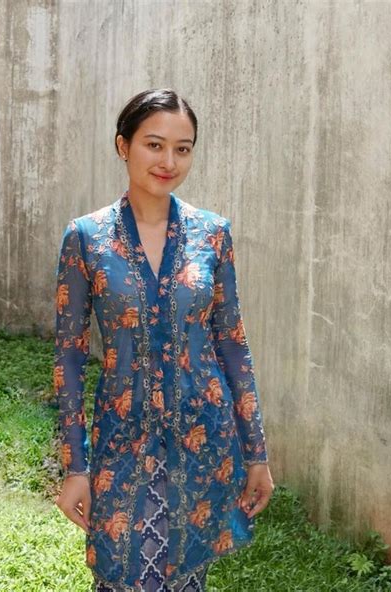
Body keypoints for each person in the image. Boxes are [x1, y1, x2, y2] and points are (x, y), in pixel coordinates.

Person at [54, 88, 275, 592]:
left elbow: (232, 344)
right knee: (122, 574)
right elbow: (69, 356)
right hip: (121, 439)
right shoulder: (86, 237)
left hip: (202, 439)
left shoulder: (212, 234)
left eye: (183, 148)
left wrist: (256, 453)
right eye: (154, 145)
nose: (169, 162)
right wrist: (75, 465)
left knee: (186, 577)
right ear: (123, 146)